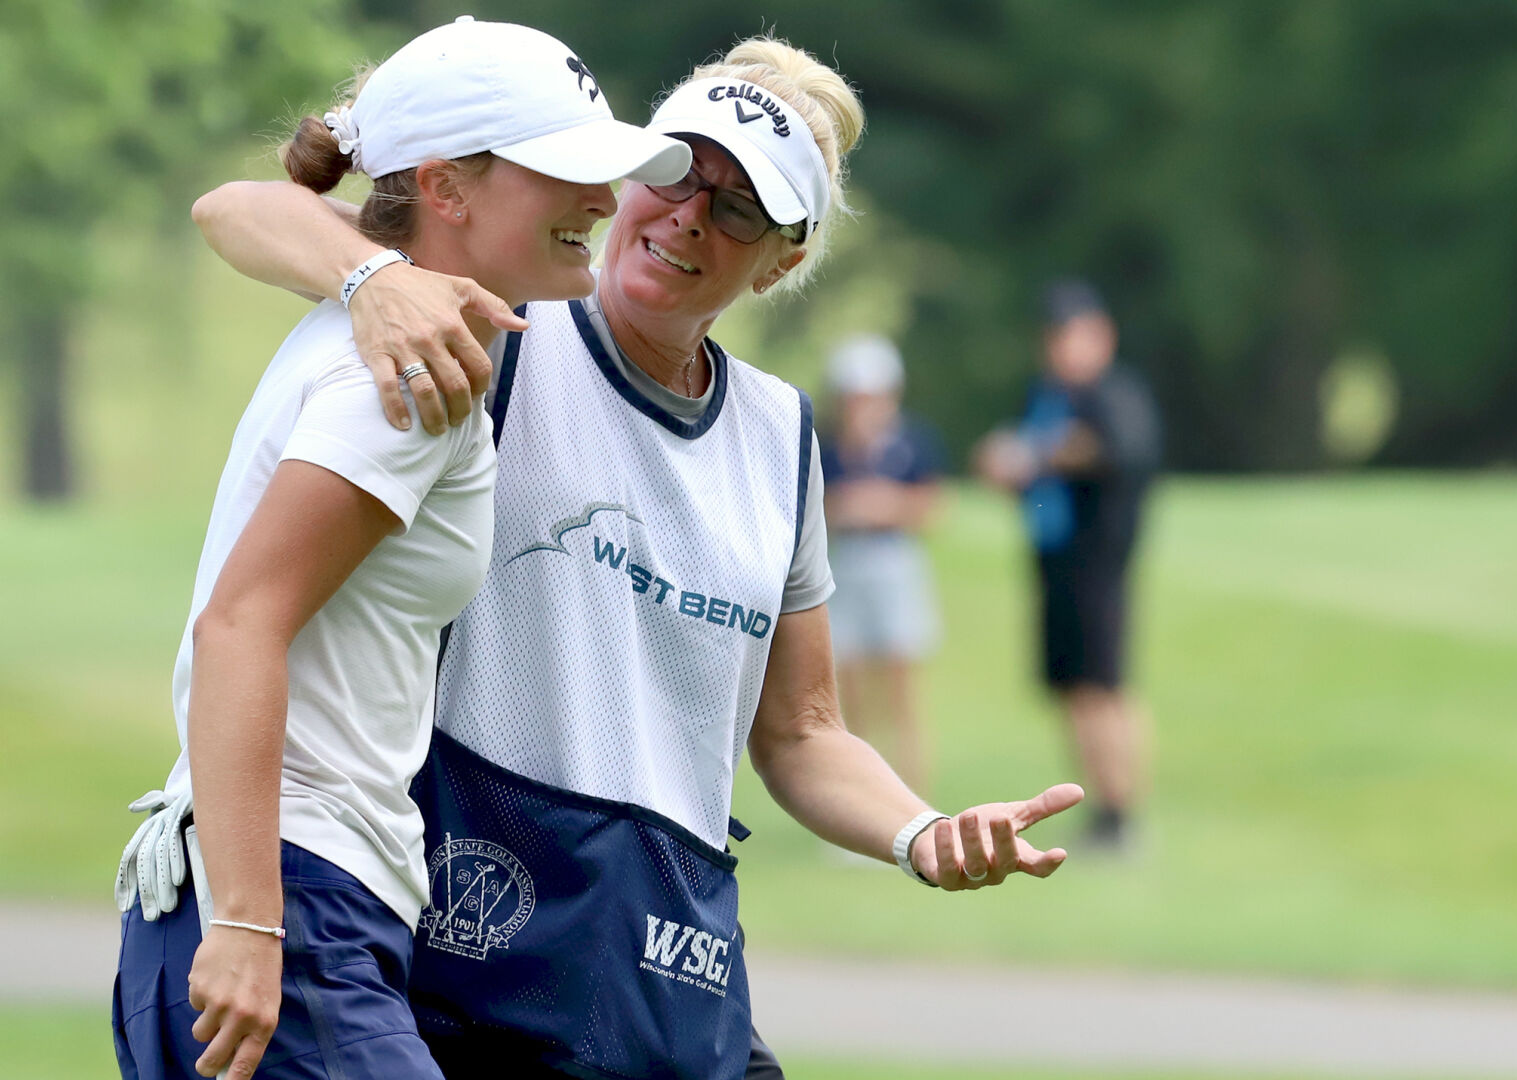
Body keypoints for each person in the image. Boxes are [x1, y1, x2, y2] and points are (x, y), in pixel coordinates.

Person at [189, 36, 1085, 1080]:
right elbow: (237, 211)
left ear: (784, 260)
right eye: (676, 174)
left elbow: (800, 730)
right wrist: (375, 281)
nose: (690, 216)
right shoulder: (497, 316)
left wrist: (920, 834)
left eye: (740, 207)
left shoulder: (778, 438)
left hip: (670, 961)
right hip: (480, 956)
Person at [110, 19, 689, 1080]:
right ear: (446, 189)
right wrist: (248, 925)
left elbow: (245, 210)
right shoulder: (410, 378)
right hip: (288, 905)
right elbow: (241, 625)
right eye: (566, 172)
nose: (605, 204)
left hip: (298, 902)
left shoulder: (398, 321)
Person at [974, 279, 1161, 853]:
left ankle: (1122, 813)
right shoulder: (1047, 396)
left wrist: (1031, 455)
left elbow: (1110, 450)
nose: (1063, 347)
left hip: (1098, 566)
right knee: (1073, 690)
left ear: (1100, 336)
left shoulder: (1111, 393)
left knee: (1105, 688)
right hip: (1055, 567)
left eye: (1074, 334)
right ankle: (1100, 812)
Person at [818, 334, 945, 791]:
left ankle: (911, 796)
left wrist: (883, 505)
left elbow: (931, 508)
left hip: (894, 563)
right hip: (843, 565)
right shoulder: (826, 447)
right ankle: (858, 799)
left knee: (899, 691)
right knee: (847, 688)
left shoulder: (912, 442)